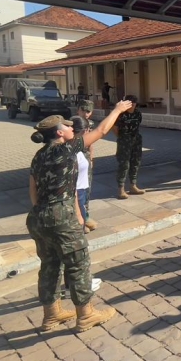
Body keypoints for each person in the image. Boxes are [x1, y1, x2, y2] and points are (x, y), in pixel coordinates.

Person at [28, 99, 131, 332]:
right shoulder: (66, 149)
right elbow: (102, 130)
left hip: (39, 217)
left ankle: (51, 316)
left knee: (50, 265)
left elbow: (33, 190)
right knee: (78, 263)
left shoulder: (39, 156)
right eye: (67, 127)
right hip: (59, 216)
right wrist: (117, 109)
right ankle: (85, 315)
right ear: (59, 133)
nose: (71, 128)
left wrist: (52, 213)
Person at [113, 95, 145, 199]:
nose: (133, 104)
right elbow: (115, 128)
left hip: (136, 140)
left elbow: (138, 124)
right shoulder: (121, 114)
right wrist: (122, 137)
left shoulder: (137, 113)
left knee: (135, 162)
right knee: (124, 164)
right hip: (124, 141)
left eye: (135, 102)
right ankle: (121, 189)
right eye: (131, 102)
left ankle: (133, 186)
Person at [70, 117, 97, 233]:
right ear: (84, 131)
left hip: (82, 186)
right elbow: (101, 131)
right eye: (88, 130)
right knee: (78, 209)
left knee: (83, 205)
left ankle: (83, 220)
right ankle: (79, 224)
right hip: (77, 189)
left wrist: (91, 159)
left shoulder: (77, 144)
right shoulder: (73, 145)